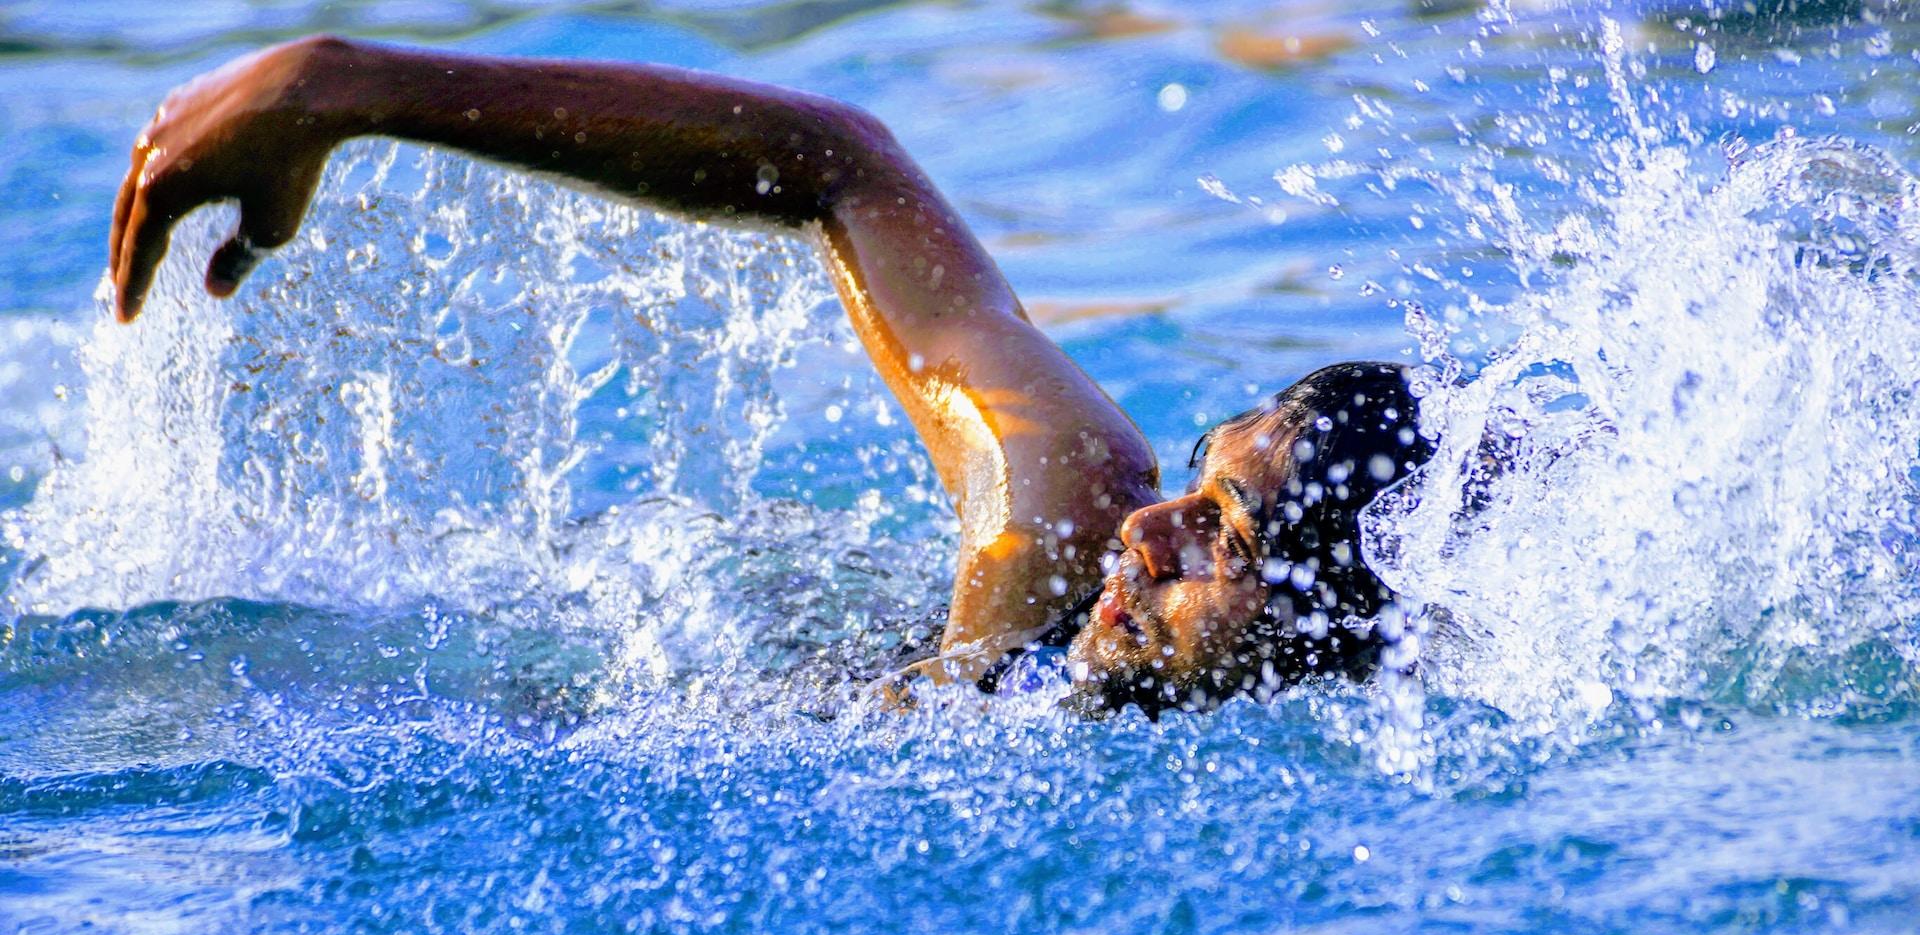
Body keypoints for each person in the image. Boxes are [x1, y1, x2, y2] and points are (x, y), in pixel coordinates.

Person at [109, 35, 1432, 716]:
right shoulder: (1059, 529)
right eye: (1197, 482)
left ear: (1330, 629)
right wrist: (349, 86)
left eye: (1227, 535)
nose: (1155, 531)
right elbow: (838, 164)